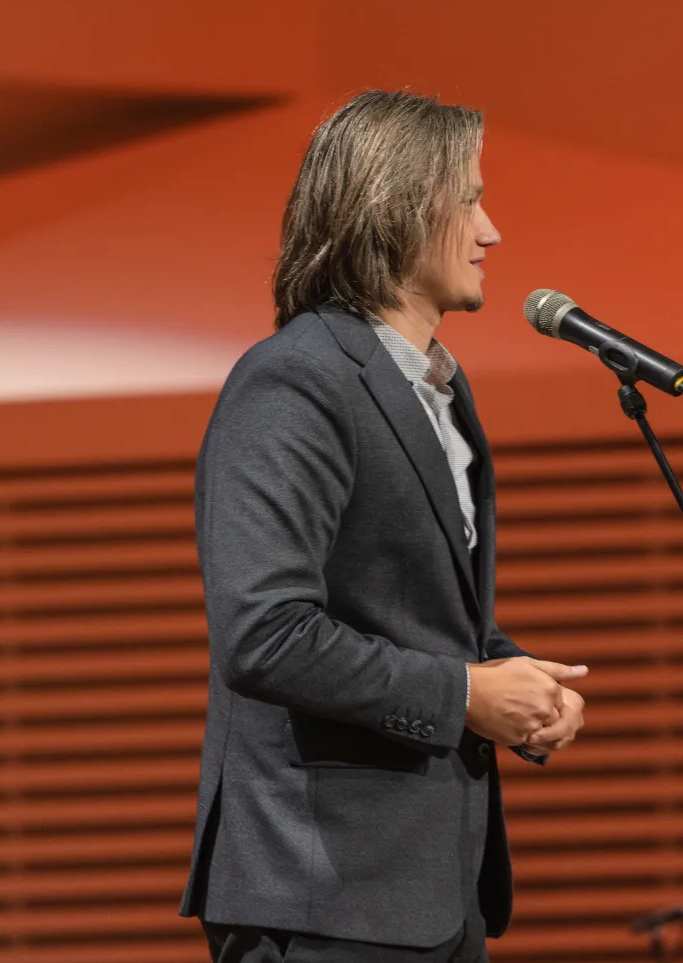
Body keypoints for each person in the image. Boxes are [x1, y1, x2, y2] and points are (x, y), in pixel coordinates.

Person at [179, 89, 588, 963]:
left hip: (431, 886)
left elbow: (414, 614)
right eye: (470, 200)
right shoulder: (293, 382)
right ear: (397, 211)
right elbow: (264, 633)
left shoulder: (437, 387)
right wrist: (464, 696)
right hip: (322, 892)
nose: (491, 231)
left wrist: (515, 682)